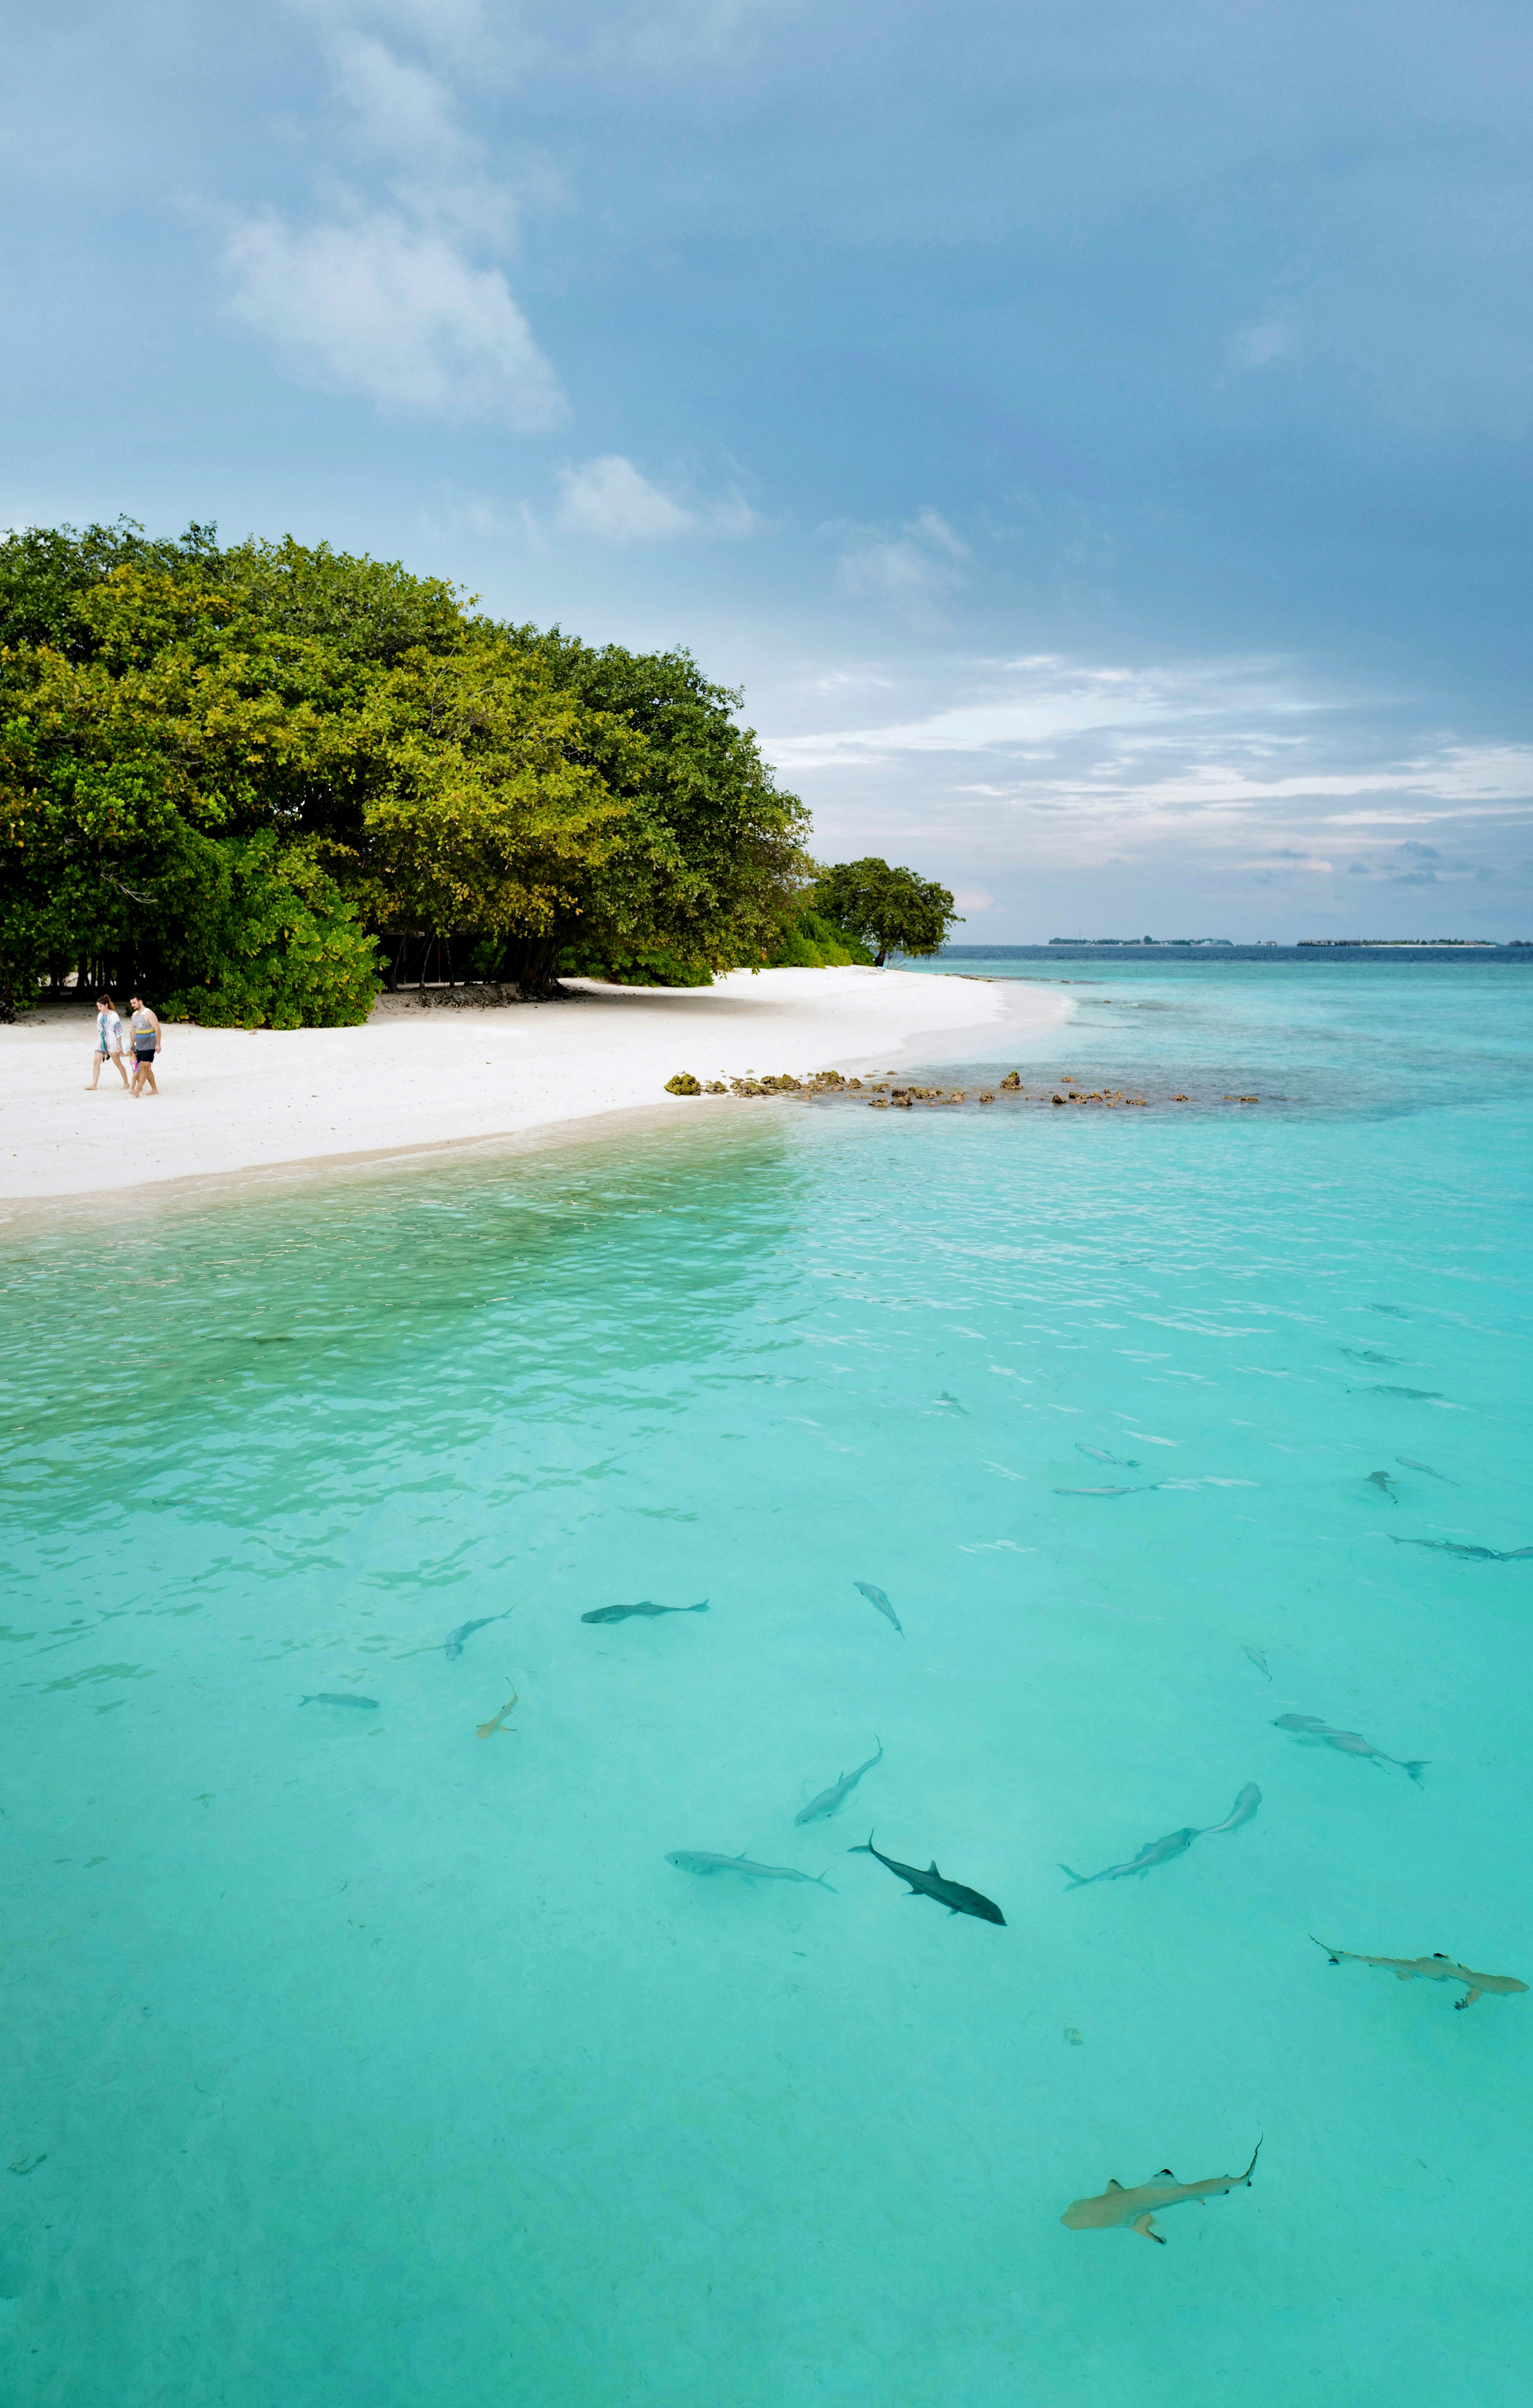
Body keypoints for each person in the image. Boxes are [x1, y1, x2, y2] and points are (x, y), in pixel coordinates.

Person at [89, 993, 130, 1090]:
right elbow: (100, 1029)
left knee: (118, 1063)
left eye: (101, 1006)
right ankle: (94, 1085)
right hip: (102, 1041)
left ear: (106, 1005)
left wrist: (119, 1045)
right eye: (98, 1006)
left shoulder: (114, 1016)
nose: (99, 1008)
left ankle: (126, 1083)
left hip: (112, 1041)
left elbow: (119, 1031)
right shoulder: (100, 1015)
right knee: (96, 1063)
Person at [128, 995, 162, 1096]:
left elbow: (157, 1028)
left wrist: (158, 1044)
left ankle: (137, 1091)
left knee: (144, 1068)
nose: (132, 1005)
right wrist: (131, 1044)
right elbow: (133, 1031)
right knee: (148, 1069)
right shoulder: (134, 1015)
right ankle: (155, 1089)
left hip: (150, 1045)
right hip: (139, 1046)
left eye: (134, 1003)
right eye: (131, 1004)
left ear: (140, 1002)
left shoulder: (149, 1014)